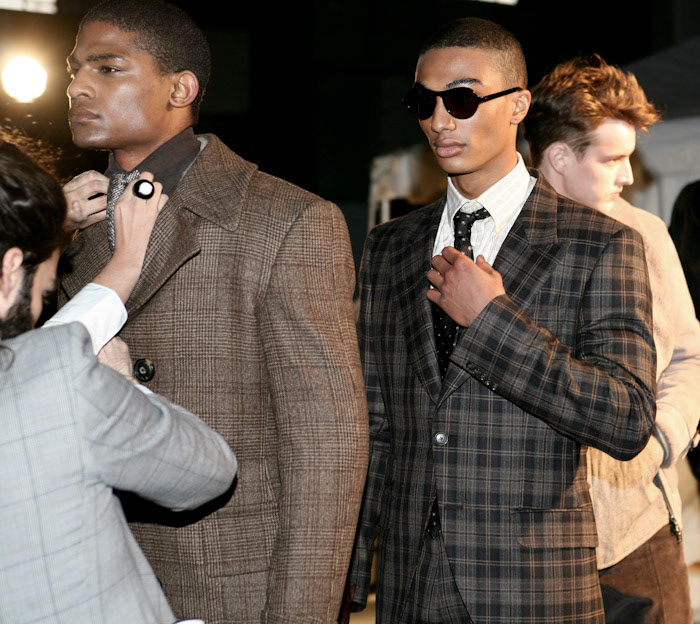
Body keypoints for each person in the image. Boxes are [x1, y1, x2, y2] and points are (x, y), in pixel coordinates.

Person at [59, 0, 369, 622]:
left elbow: (326, 448)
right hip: (86, 584)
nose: (78, 88)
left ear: (181, 89)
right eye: (74, 70)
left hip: (225, 590)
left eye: (108, 68)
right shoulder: (64, 228)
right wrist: (48, 235)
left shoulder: (287, 221)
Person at [344, 17, 657, 623]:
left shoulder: (599, 243)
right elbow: (374, 426)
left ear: (518, 105)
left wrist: (491, 321)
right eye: (424, 102)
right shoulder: (390, 247)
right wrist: (349, 578)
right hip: (408, 587)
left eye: (461, 100)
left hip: (531, 587)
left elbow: (626, 418)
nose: (440, 120)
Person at [0, 137, 238, 624]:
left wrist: (108, 252)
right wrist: (122, 385)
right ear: (8, 276)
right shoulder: (61, 382)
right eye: (44, 294)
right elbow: (208, 470)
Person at [523, 54, 700, 623]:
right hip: (536, 545)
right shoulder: (503, 243)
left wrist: (661, 441)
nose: (628, 176)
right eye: (613, 159)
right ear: (558, 158)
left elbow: (690, 355)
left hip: (639, 531)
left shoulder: (646, 233)